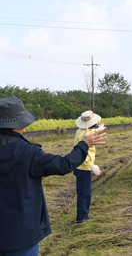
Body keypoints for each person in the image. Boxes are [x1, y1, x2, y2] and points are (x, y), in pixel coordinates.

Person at [0, 96, 107, 255]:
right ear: (20, 125)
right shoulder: (28, 153)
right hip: (21, 234)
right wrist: (84, 145)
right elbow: (64, 164)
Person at [73, 110, 104, 224]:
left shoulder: (82, 130)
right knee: (84, 193)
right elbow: (81, 153)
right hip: (83, 167)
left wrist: (98, 130)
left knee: (86, 192)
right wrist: (92, 166)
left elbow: (91, 132)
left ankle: (84, 215)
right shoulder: (82, 135)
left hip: (81, 166)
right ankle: (81, 218)